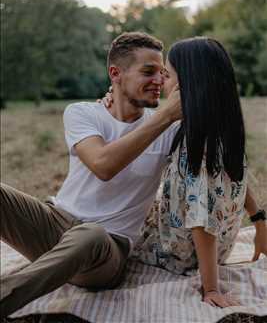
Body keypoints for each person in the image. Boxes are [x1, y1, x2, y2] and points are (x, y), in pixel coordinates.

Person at [0, 32, 183, 318]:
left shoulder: (169, 128)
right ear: (116, 74)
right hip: (55, 224)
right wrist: (165, 116)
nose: (159, 81)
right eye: (148, 72)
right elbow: (103, 165)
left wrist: (258, 218)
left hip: (107, 250)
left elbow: (220, 157)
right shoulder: (82, 113)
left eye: (162, 73)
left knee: (90, 234)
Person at [129, 37, 267, 308]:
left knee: (115, 220)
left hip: (174, 254)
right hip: (213, 251)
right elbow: (235, 175)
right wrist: (260, 222)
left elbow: (200, 220)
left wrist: (211, 288)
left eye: (167, 75)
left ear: (184, 86)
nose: (162, 83)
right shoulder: (222, 132)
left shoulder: (195, 144)